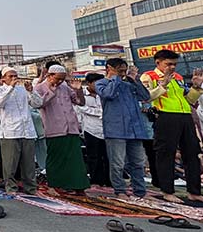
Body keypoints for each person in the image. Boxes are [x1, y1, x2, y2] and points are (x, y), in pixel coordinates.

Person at [139, 50, 203, 203]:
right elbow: (146, 97)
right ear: (158, 63)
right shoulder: (148, 76)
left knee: (192, 153)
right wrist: (163, 85)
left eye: (174, 64)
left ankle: (194, 191)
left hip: (185, 115)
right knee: (166, 155)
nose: (172, 67)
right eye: (168, 64)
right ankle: (167, 191)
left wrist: (196, 87)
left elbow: (188, 99)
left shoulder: (179, 77)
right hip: (165, 116)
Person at [95, 58, 151, 199]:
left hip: (135, 129)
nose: (123, 73)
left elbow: (145, 97)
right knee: (118, 163)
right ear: (109, 68)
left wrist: (134, 80)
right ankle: (120, 190)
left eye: (124, 70)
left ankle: (140, 191)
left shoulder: (128, 84)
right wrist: (115, 78)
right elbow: (109, 94)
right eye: (120, 70)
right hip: (116, 129)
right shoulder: (101, 83)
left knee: (138, 163)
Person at [30, 64, 89, 194]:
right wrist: (51, 91)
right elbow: (38, 104)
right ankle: (54, 185)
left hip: (71, 127)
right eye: (57, 79)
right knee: (56, 159)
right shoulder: (39, 88)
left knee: (75, 159)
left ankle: (77, 186)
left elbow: (80, 102)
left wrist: (78, 90)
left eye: (62, 79)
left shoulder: (65, 87)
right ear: (49, 76)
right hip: (54, 128)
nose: (60, 81)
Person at [0, 67, 39, 194]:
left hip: (27, 130)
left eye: (15, 76)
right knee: (10, 163)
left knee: (29, 163)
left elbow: (37, 104)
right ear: (3, 79)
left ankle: (31, 188)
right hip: (10, 132)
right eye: (10, 76)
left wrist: (31, 92)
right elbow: (0, 103)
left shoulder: (22, 89)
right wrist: (10, 88)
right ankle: (11, 187)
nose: (14, 78)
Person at [79, 72, 109, 187]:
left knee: (107, 156)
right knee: (94, 156)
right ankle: (96, 180)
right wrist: (99, 112)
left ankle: (108, 180)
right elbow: (81, 108)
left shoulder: (104, 94)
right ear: (89, 83)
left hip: (106, 129)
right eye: (96, 84)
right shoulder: (82, 94)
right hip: (90, 129)